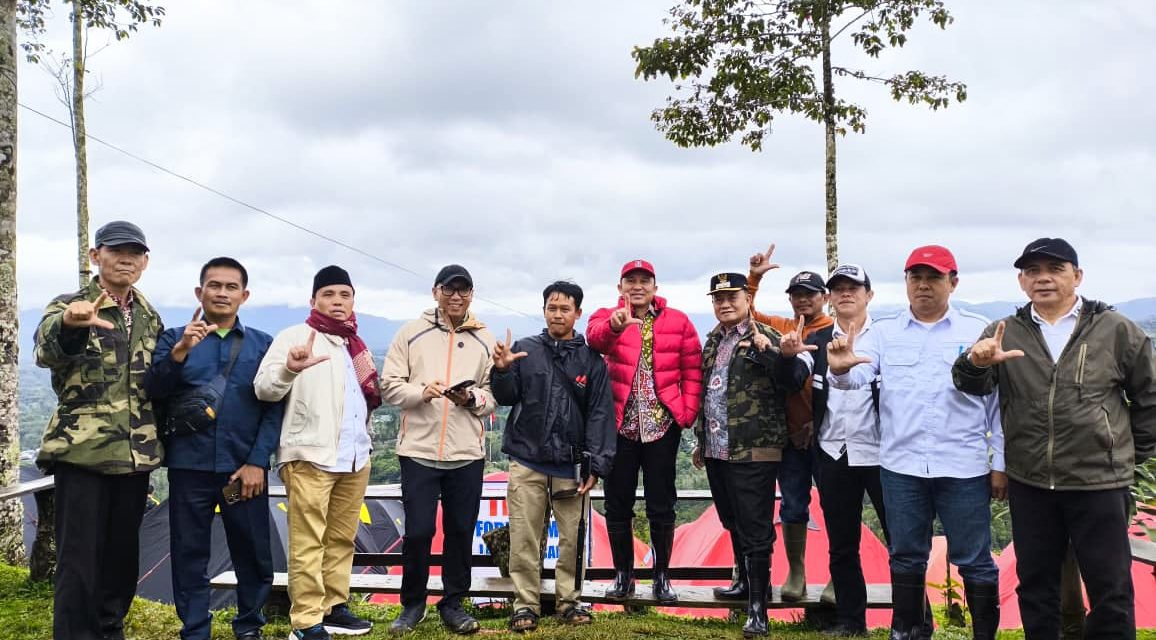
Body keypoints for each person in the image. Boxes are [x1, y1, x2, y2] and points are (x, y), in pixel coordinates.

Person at [952, 238, 1156, 639]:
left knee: (1110, 588)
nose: (1043, 278)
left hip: (1099, 482)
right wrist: (975, 362)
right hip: (1030, 481)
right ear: (1021, 281)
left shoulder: (1115, 329)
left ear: (1076, 276)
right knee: (1035, 585)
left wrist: (1128, 454)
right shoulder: (1004, 331)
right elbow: (970, 386)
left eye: (1055, 269)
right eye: (1033, 271)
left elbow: (1149, 395)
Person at [827, 245, 1004, 640]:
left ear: (953, 282)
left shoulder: (977, 330)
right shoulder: (885, 332)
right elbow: (857, 376)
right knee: (906, 556)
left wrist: (1001, 463)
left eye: (933, 277)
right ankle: (907, 632)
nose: (923, 285)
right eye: (915, 277)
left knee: (975, 560)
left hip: (964, 466)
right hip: (901, 466)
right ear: (906, 283)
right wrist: (839, 371)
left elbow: (996, 404)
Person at [34, 220, 163, 640]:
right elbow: (46, 349)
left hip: (136, 454)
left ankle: (110, 629)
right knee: (79, 560)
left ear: (145, 262)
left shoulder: (149, 315)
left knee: (121, 557)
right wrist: (71, 323)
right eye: (116, 250)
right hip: (82, 452)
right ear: (95, 256)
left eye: (134, 252)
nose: (126, 259)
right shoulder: (70, 304)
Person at [145, 257, 283, 640]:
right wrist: (180, 353)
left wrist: (257, 462)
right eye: (214, 285)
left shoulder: (262, 345)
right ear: (199, 292)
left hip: (241, 474)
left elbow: (274, 407)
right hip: (189, 469)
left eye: (231, 287)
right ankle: (195, 629)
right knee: (189, 552)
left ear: (244, 296)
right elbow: (154, 390)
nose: (222, 293)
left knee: (250, 549)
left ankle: (249, 626)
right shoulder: (174, 338)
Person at [254, 265, 380, 640]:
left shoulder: (355, 343)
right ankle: (307, 620)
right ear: (313, 300)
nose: (337, 301)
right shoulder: (294, 337)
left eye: (345, 294)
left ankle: (334, 607)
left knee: (341, 538)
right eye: (329, 294)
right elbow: (264, 388)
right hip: (309, 456)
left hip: (354, 456)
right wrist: (289, 369)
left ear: (354, 300)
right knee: (308, 541)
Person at [690, 272, 812, 637]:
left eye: (732, 297)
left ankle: (758, 608)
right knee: (732, 520)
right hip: (717, 448)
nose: (725, 304)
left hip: (755, 448)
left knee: (756, 528)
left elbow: (791, 379)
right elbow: (711, 393)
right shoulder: (713, 340)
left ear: (747, 299)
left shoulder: (766, 336)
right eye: (718, 298)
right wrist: (701, 440)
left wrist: (777, 355)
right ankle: (743, 584)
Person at [491, 281, 617, 632]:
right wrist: (502, 370)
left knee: (572, 540)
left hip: (571, 467)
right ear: (544, 310)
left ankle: (569, 602)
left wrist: (596, 464)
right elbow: (506, 396)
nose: (557, 314)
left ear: (578, 313)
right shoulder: (525, 350)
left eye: (565, 309)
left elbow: (600, 414)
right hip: (527, 461)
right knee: (524, 538)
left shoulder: (591, 360)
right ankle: (525, 605)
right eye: (552, 308)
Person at [381, 264, 498, 635]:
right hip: (418, 449)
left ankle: (453, 604)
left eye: (463, 290)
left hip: (466, 453)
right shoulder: (410, 333)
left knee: (461, 530)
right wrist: (422, 392)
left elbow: (493, 395)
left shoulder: (484, 339)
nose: (456, 296)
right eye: (449, 289)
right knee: (418, 532)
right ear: (435, 292)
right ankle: (412, 604)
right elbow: (389, 385)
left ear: (471, 295)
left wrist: (471, 398)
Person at [585, 259, 703, 604]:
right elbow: (595, 340)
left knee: (662, 503)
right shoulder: (606, 316)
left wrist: (686, 412)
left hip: (662, 426)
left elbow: (692, 369)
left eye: (644, 281)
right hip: (620, 426)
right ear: (620, 287)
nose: (637, 286)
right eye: (630, 281)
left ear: (655, 287)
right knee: (617, 502)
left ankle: (662, 576)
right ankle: (623, 575)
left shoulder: (678, 321)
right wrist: (615, 325)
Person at [804, 264, 890, 636]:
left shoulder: (885, 338)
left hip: (882, 451)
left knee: (902, 543)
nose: (845, 294)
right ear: (829, 297)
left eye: (853, 288)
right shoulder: (819, 340)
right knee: (841, 545)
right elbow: (794, 378)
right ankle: (851, 621)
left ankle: (915, 620)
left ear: (869, 294)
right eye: (837, 288)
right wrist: (785, 357)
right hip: (833, 450)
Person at [747, 244, 835, 602]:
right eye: (796, 295)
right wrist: (754, 278)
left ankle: (839, 574)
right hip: (790, 437)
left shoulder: (836, 331)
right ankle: (797, 571)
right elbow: (746, 314)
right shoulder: (783, 328)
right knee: (793, 504)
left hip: (828, 434)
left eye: (809, 294)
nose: (802, 300)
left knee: (836, 505)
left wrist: (816, 423)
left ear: (824, 297)